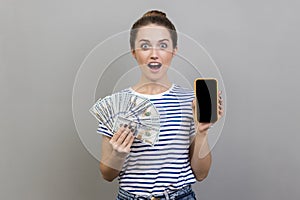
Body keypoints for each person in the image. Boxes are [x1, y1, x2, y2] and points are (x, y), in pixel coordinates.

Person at [97, 10, 224, 200]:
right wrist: (118, 154)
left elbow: (201, 174)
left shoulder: (190, 102)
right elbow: (107, 175)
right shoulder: (115, 104)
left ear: (174, 51)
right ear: (134, 52)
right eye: (145, 46)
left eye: (163, 45)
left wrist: (202, 132)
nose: (154, 54)